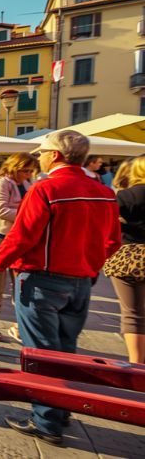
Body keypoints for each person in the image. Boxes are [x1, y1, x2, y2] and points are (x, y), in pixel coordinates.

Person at [0, 131, 121, 445]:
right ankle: (61, 409)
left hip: (42, 281)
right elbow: (112, 242)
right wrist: (89, 266)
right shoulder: (103, 191)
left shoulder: (47, 188)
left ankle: (47, 421)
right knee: (66, 350)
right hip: (82, 282)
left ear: (55, 155)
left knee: (42, 353)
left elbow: (21, 237)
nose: (38, 156)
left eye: (42, 151)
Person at [0, 153, 36, 341]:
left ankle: (19, 324)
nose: (27, 174)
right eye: (24, 170)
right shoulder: (0, 183)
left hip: (20, 235)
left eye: (30, 171)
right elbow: (0, 209)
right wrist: (30, 215)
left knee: (21, 280)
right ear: (14, 167)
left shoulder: (28, 183)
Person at [105, 155, 145, 364]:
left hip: (130, 256)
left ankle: (137, 365)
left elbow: (106, 223)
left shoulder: (127, 196)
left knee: (133, 314)